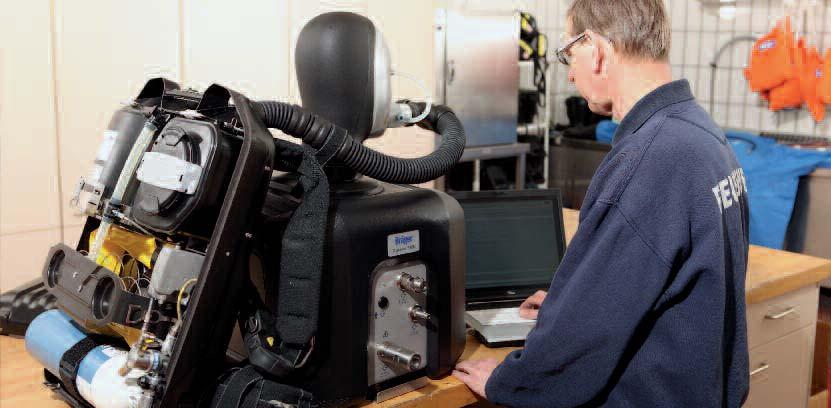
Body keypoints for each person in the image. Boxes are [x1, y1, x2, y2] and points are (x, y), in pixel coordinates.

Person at [452, 1, 750, 407]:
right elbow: (640, 281)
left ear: (596, 49)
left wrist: (512, 380)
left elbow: (585, 340)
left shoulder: (650, 158)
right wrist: (571, 299)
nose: (570, 73)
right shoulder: (701, 134)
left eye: (569, 55)